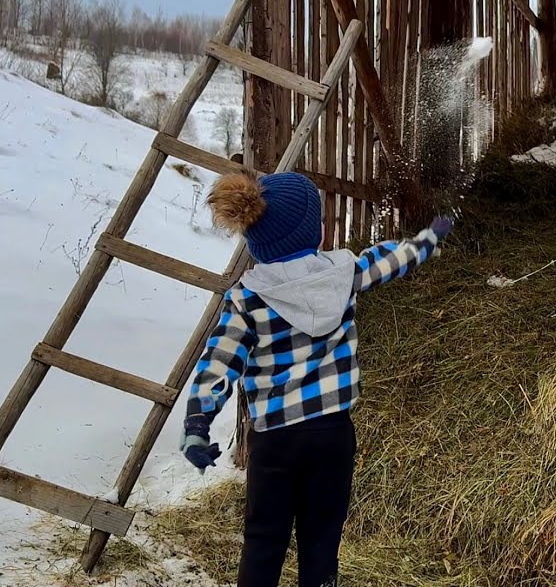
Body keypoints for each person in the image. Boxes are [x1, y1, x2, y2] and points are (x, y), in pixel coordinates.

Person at [180, 170, 451, 587]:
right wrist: (427, 239)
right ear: (317, 232)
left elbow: (220, 362)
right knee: (322, 538)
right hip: (332, 435)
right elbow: (390, 261)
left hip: (275, 443)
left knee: (263, 540)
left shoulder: (247, 298)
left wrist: (197, 424)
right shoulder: (344, 274)